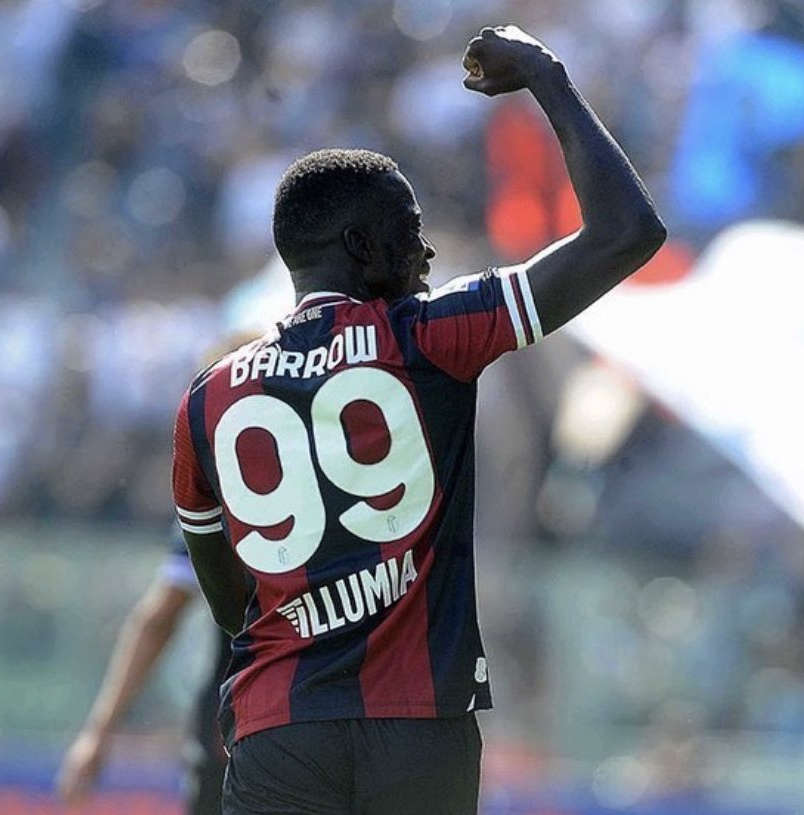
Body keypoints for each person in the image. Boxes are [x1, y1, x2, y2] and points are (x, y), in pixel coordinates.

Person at [172, 24, 666, 814]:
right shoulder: (431, 334)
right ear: (360, 243)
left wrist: (317, 609)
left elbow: (231, 600)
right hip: (417, 726)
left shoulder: (209, 395)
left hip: (277, 729)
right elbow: (626, 232)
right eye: (408, 230)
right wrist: (545, 76)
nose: (426, 253)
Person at [55, 524, 232, 814]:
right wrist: (99, 732)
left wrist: (98, 732)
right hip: (297, 708)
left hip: (241, 719)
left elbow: (159, 620)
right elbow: (158, 621)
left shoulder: (219, 498)